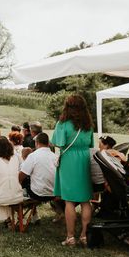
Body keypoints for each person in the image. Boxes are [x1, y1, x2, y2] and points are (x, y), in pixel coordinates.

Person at [52, 94, 95, 247]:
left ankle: (70, 237)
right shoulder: (88, 124)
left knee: (69, 200)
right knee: (85, 200)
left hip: (69, 159)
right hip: (84, 158)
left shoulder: (63, 123)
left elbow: (57, 142)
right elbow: (90, 143)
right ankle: (84, 235)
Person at [18, 132, 57, 223]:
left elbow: (21, 176)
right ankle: (35, 216)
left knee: (23, 179)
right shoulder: (55, 156)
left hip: (38, 193)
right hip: (55, 192)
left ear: (37, 143)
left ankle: (26, 216)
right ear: (48, 143)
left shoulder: (33, 156)